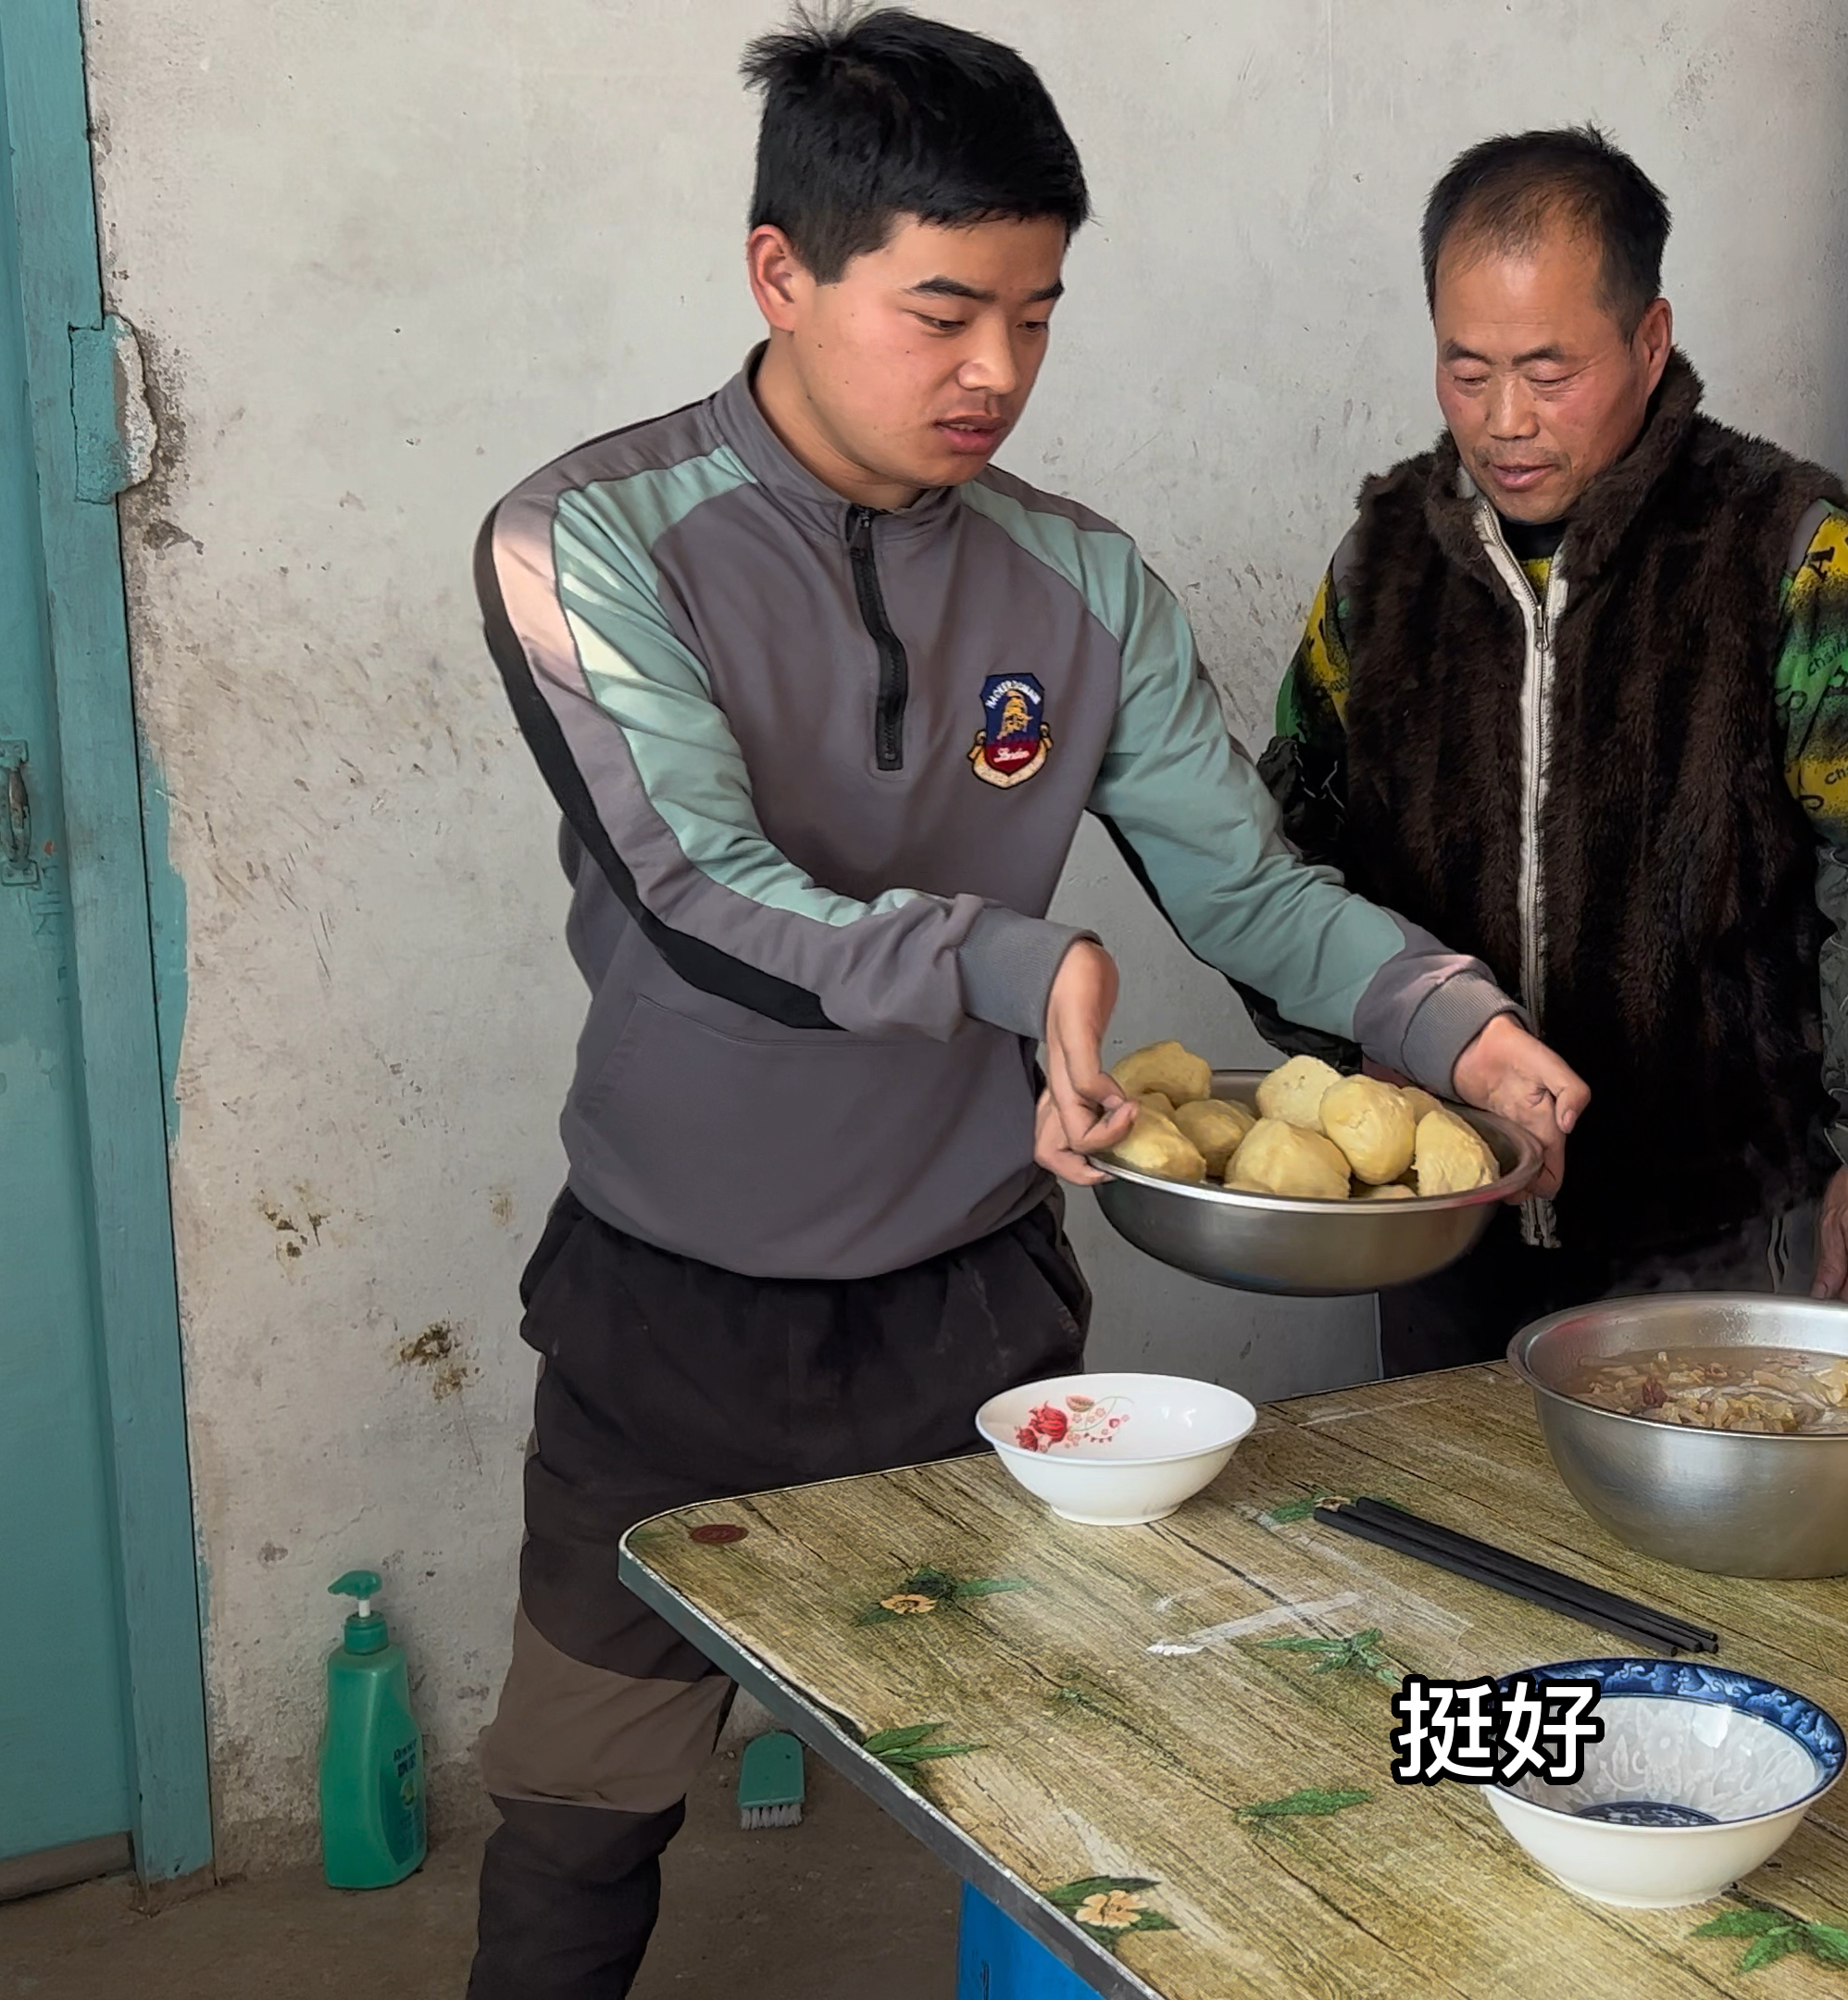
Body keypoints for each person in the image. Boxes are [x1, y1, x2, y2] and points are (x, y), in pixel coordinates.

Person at [464, 16, 1585, 1995]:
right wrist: (1017, 955)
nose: (999, 372)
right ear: (781, 274)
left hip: (974, 1304)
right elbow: (702, 884)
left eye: (1041, 316)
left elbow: (1240, 886)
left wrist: (1448, 1021)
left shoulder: (1079, 585)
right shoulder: (590, 541)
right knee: (578, 1808)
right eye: (946, 310)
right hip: (672, 1310)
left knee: (1068, 1787)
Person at [1258, 129, 1848, 1370]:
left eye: (1549, 370)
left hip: (1709, 1207)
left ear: (1649, 340)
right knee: (1457, 1522)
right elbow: (1287, 829)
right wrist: (1352, 1065)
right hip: (1448, 1196)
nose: (1507, 422)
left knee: (1698, 1530)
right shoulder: (1382, 563)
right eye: (1467, 371)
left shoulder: (1784, 548)